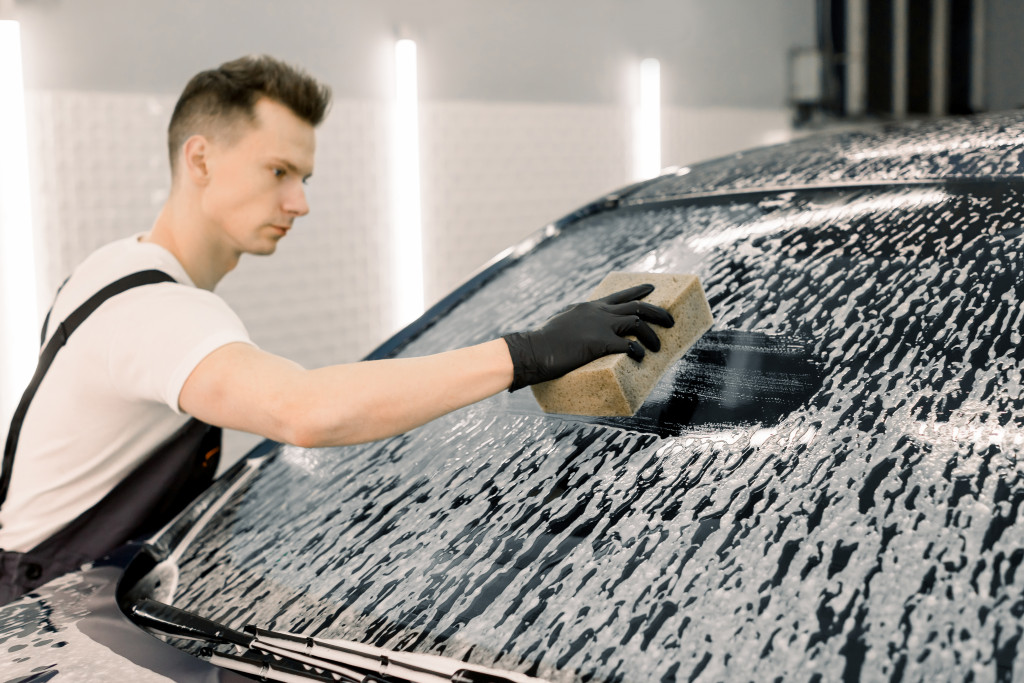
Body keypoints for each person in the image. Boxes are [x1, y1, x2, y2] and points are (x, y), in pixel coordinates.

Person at [0, 55, 673, 604]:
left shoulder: (113, 266)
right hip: (47, 608)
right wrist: (531, 353)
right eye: (279, 172)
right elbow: (304, 410)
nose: (300, 202)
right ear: (199, 159)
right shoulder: (158, 310)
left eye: (305, 176)